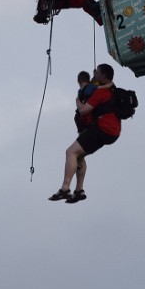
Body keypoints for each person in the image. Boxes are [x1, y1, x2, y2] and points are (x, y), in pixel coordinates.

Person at [49, 63, 121, 204]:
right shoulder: (112, 90)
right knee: (79, 156)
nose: (94, 74)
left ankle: (65, 188)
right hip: (113, 131)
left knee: (71, 152)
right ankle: (79, 191)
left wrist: (77, 102)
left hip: (103, 128)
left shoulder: (100, 92)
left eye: (97, 72)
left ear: (103, 75)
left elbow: (83, 111)